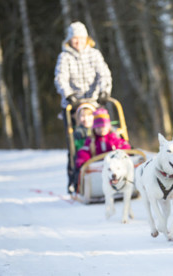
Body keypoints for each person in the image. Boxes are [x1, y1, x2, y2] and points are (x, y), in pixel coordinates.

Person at [54, 21, 112, 194]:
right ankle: (75, 179)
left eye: (80, 38)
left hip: (94, 103)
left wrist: (104, 91)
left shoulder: (94, 54)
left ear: (87, 38)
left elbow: (104, 74)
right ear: (69, 40)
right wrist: (68, 94)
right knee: (74, 143)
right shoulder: (64, 57)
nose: (77, 42)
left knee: (106, 134)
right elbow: (60, 78)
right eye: (74, 39)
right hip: (73, 104)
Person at [72, 108, 131, 193]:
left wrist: (123, 152)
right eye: (98, 127)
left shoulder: (113, 138)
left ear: (108, 127)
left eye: (103, 127)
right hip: (98, 168)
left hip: (113, 167)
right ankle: (88, 189)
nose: (101, 129)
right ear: (94, 129)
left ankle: (124, 185)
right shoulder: (91, 140)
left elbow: (123, 145)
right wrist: (82, 159)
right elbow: (84, 150)